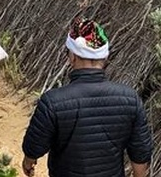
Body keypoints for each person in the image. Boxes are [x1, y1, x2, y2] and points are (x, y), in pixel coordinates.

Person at [21, 18, 153, 177]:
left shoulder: (52, 101)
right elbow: (140, 152)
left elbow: (34, 146)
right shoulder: (131, 99)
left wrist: (28, 162)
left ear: (72, 57)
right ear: (104, 58)